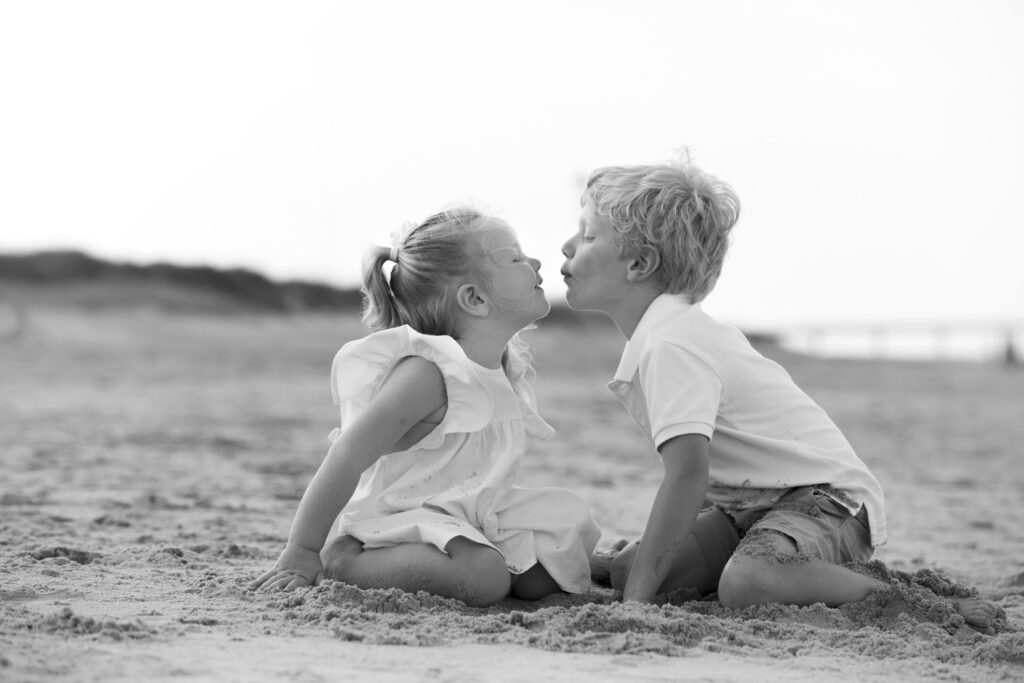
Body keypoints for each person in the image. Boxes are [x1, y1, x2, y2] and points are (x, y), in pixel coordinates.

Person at [561, 158, 999, 632]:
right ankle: (807, 572)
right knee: (633, 570)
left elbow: (686, 476)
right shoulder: (664, 335)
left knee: (748, 582)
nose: (567, 245)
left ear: (640, 263)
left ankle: (909, 601)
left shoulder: (672, 344)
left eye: (587, 236)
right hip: (751, 508)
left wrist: (637, 605)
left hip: (825, 502)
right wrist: (639, 578)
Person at [252, 208, 600, 606]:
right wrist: (302, 550)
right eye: (515, 258)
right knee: (485, 578)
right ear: (474, 298)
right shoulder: (429, 372)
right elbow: (347, 455)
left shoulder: (496, 365)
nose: (535, 263)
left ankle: (483, 560)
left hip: (464, 514)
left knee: (553, 560)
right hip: (398, 521)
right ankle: (344, 562)